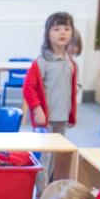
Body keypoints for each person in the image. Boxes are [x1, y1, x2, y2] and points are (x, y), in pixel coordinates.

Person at [23, 12, 80, 187]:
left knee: (57, 156)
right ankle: (41, 194)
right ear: (48, 33)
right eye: (56, 29)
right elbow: (28, 87)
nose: (62, 32)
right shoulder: (41, 62)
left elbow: (70, 91)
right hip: (45, 120)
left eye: (66, 28)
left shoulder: (70, 62)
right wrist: (37, 109)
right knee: (44, 158)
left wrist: (71, 115)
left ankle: (52, 192)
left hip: (61, 118)